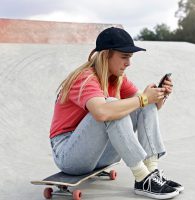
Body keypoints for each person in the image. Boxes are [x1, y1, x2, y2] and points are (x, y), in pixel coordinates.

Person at [49, 27, 183, 199]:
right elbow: (102, 113)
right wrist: (143, 99)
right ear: (106, 55)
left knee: (144, 103)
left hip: (99, 154)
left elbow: (146, 109)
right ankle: (142, 177)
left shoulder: (118, 78)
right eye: (124, 57)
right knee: (112, 105)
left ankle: (151, 172)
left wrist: (158, 97)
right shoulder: (84, 78)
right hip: (69, 155)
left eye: (130, 57)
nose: (129, 63)